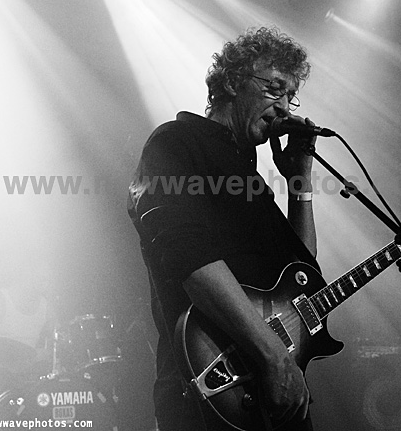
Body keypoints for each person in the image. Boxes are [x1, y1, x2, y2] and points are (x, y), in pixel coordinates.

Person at [128, 27, 321, 430]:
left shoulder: (251, 180)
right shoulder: (176, 141)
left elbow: (301, 272)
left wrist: (299, 182)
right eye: (274, 89)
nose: (284, 108)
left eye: (290, 96)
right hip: (208, 389)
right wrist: (274, 356)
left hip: (264, 393)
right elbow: (189, 256)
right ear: (232, 82)